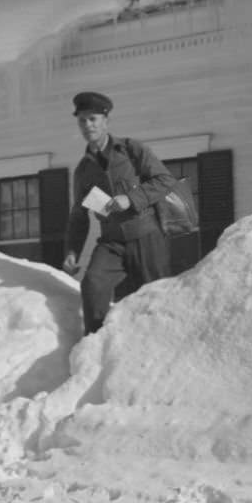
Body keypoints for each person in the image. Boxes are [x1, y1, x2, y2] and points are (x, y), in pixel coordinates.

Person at [62, 92, 177, 335]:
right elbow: (79, 217)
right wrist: (72, 252)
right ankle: (96, 346)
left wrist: (131, 199)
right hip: (112, 241)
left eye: (92, 119)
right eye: (82, 121)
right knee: (93, 284)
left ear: (106, 121)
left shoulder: (131, 150)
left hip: (146, 236)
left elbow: (165, 180)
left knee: (157, 299)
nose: (87, 126)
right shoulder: (83, 170)